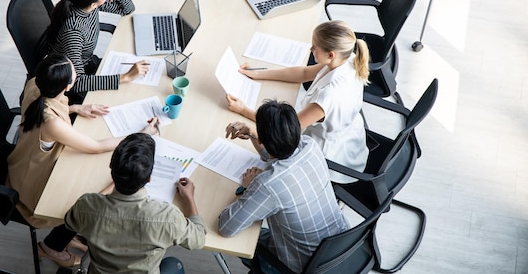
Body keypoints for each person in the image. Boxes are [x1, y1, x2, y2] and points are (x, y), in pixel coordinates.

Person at [6, 54, 158, 268]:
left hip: (23, 162)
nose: (76, 70)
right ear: (67, 86)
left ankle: (67, 237)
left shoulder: (34, 84)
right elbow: (95, 147)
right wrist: (141, 135)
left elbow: (45, 108)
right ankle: (51, 247)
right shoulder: (52, 123)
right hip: (35, 184)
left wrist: (75, 108)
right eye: (73, 71)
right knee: (96, 195)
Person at [226, 20, 370, 183]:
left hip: (329, 157)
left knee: (269, 153)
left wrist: (244, 111)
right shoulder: (346, 58)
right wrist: (257, 74)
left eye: (315, 47)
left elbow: (284, 130)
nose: (311, 49)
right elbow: (302, 73)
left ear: (330, 54)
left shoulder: (328, 97)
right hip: (347, 136)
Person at [219, 100, 350, 273]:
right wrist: (252, 134)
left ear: (262, 139)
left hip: (299, 267)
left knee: (244, 241)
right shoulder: (309, 146)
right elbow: (280, 155)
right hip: (343, 249)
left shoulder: (267, 184)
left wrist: (245, 188)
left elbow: (226, 227)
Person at [64, 133, 206, 274]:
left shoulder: (86, 205)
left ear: (111, 168)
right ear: (149, 178)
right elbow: (198, 240)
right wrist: (189, 199)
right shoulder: (167, 217)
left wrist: (106, 191)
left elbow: (70, 222)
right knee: (174, 264)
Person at [46, 0, 149, 104]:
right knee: (126, 95)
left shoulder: (87, 5)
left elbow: (127, 9)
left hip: (89, 64)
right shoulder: (73, 32)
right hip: (74, 84)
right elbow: (77, 82)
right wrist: (125, 77)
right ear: (94, 3)